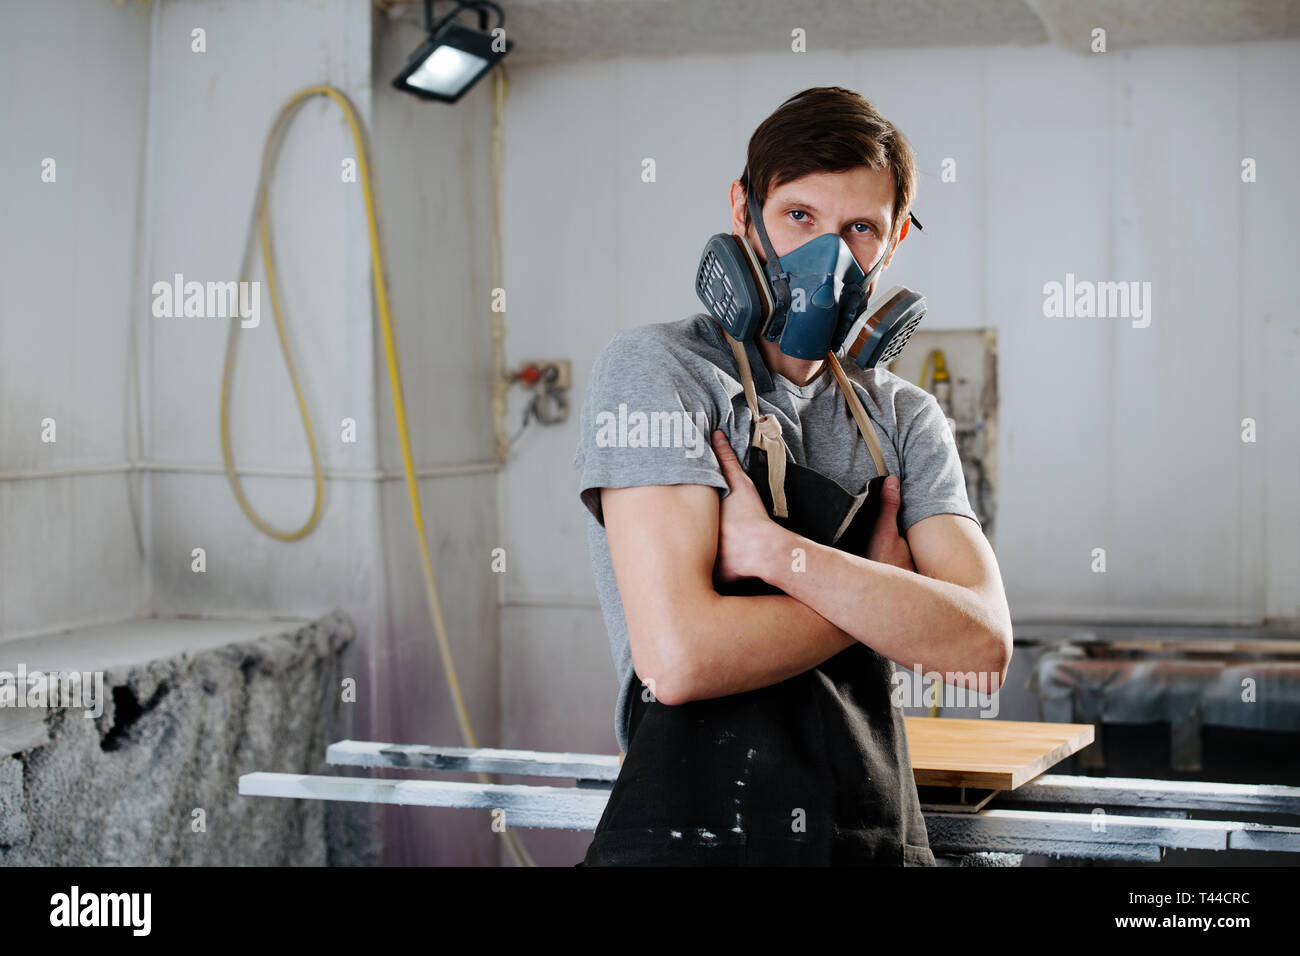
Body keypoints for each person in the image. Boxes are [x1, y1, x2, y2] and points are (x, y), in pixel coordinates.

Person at [572, 86, 1012, 866]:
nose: (827, 256)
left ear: (896, 238)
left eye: (859, 229)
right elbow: (679, 660)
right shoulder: (661, 372)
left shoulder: (904, 418)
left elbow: (979, 649)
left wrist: (779, 557)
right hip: (695, 834)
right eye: (799, 218)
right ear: (744, 210)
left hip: (867, 830)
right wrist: (880, 592)